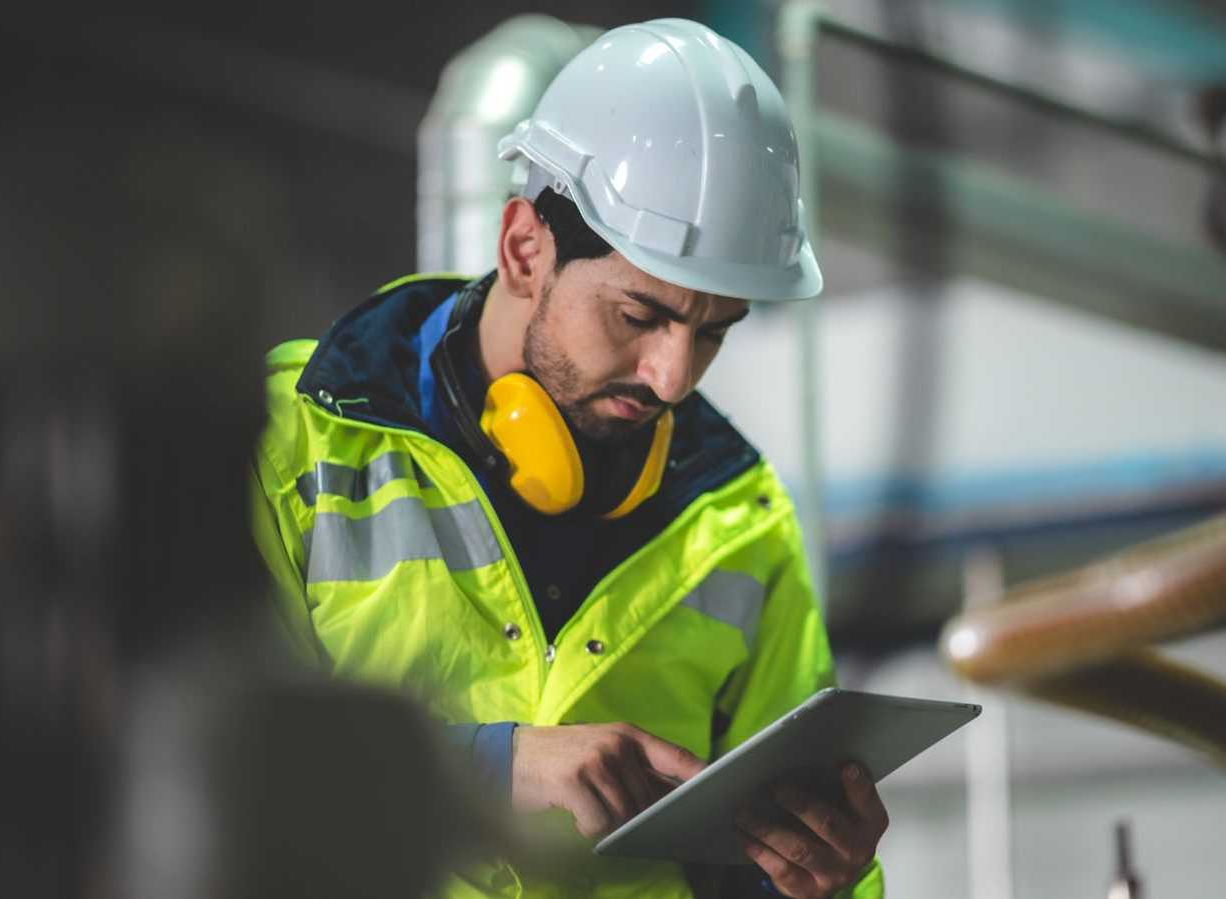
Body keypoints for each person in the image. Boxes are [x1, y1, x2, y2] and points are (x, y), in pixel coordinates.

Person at [249, 18, 885, 899]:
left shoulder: (736, 516)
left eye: (712, 333)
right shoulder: (297, 444)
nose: (671, 377)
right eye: (637, 316)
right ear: (523, 250)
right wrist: (490, 764)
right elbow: (207, 779)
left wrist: (823, 878)